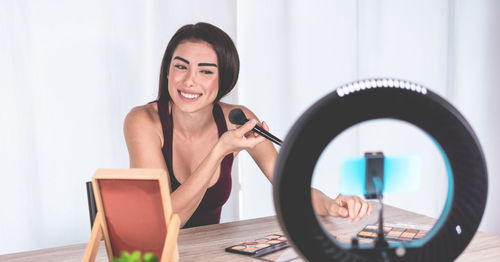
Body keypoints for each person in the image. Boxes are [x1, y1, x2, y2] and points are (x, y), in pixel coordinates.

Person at [124, 22, 372, 228]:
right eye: (180, 66)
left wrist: (330, 205)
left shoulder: (237, 119)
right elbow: (161, 225)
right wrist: (219, 150)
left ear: (224, 80)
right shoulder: (143, 121)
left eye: (206, 71)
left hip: (209, 256)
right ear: (167, 71)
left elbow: (288, 186)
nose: (189, 81)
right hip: (152, 261)